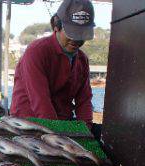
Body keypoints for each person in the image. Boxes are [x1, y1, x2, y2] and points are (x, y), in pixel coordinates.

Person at [10, 0, 95, 128]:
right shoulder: (37, 51)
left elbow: (84, 100)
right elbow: (40, 101)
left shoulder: (82, 60)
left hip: (62, 123)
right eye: (72, 33)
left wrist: (87, 131)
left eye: (81, 34)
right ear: (56, 26)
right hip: (27, 123)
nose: (76, 39)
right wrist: (56, 135)